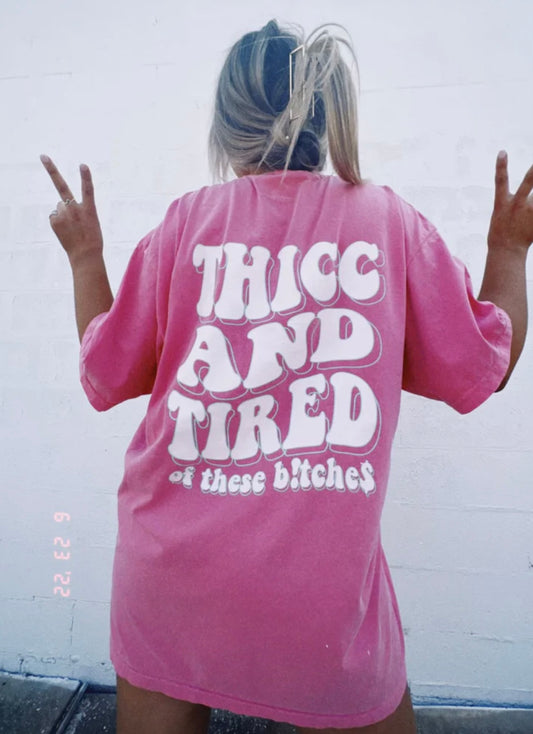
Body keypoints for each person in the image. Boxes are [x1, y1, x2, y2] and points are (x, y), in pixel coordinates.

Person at [41, 19, 532, 734]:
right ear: (327, 121)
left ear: (224, 127)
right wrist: (508, 249)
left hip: (168, 575)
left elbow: (102, 372)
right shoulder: (388, 222)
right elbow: (485, 365)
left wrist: (85, 257)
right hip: (321, 605)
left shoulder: (184, 224)